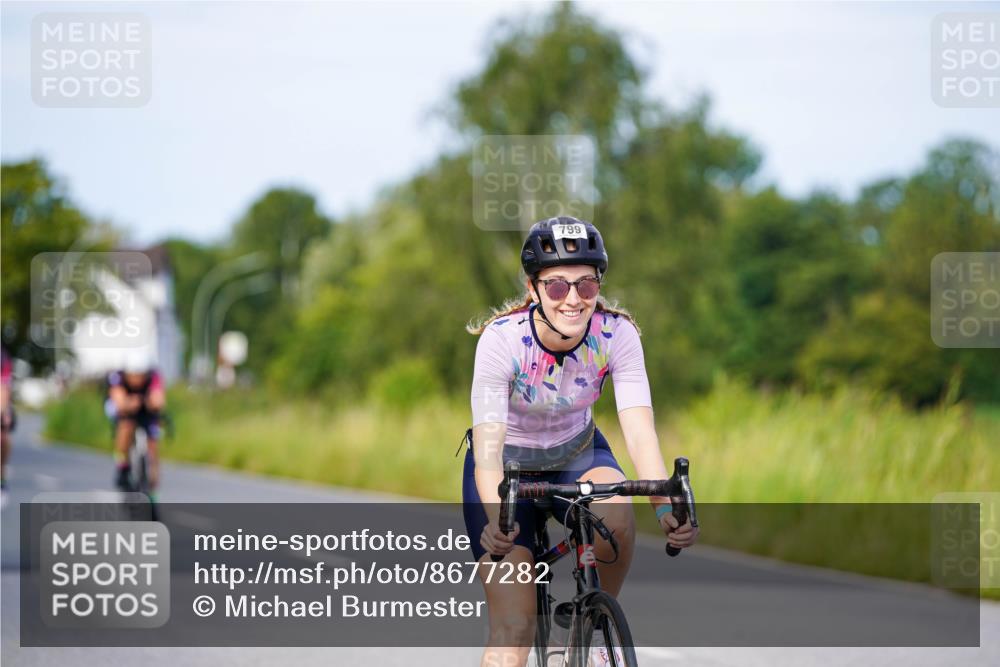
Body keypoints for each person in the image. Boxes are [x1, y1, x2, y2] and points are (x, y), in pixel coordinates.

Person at [463, 217, 698, 667]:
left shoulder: (618, 334)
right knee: (513, 632)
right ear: (533, 290)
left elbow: (640, 430)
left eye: (586, 286)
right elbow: (488, 447)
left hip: (577, 451)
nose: (573, 299)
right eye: (556, 287)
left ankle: (591, 631)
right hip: (505, 469)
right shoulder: (502, 341)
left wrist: (665, 507)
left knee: (618, 513)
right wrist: (498, 519)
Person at [107, 354, 165, 498]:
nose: (137, 380)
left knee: (153, 443)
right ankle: (123, 467)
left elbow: (159, 400)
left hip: (146, 409)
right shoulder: (118, 377)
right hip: (123, 408)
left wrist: (152, 402)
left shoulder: (153, 376)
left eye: (141, 376)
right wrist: (129, 403)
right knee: (126, 425)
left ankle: (152, 485)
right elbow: (119, 401)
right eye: (133, 376)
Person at [1, 345, 14, 492]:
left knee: (3, 437)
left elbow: (4, 388)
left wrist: (4, 413)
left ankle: (1, 474)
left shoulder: (2, 356)